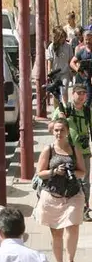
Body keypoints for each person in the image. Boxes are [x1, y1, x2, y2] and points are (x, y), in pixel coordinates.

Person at [32, 116, 85, 262]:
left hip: (73, 194)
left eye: (62, 130)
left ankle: (70, 261)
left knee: (73, 227)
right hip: (52, 195)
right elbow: (40, 173)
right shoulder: (48, 149)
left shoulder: (75, 149)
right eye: (56, 130)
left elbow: (83, 171)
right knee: (57, 232)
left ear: (68, 131)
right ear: (52, 131)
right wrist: (54, 171)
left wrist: (72, 173)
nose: (59, 133)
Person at [52, 82, 92, 221]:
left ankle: (84, 209)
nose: (81, 96)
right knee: (64, 179)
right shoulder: (65, 108)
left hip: (84, 151)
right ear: (72, 94)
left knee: (85, 182)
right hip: (66, 152)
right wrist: (61, 118)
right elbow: (51, 126)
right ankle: (65, 207)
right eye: (78, 93)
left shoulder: (87, 111)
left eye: (84, 93)